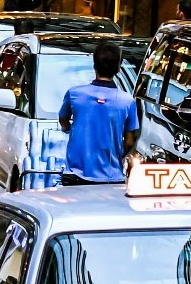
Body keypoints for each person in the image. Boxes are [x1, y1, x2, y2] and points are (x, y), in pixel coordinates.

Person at [58, 40, 141, 185]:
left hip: (76, 175)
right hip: (112, 177)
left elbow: (63, 119)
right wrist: (116, 153)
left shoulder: (74, 94)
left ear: (94, 65)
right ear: (118, 68)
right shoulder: (127, 101)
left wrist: (71, 131)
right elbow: (129, 141)